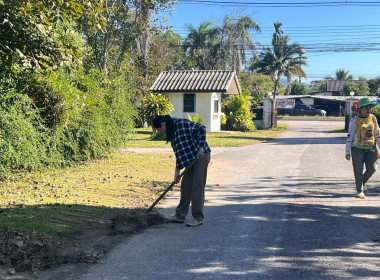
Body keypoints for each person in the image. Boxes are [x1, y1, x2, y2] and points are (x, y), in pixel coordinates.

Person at [153, 115, 211, 227]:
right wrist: (176, 174)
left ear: (163, 124)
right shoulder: (172, 134)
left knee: (197, 186)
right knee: (185, 186)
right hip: (190, 160)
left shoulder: (181, 124)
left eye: (160, 130)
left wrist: (201, 148)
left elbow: (202, 128)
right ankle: (180, 215)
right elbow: (179, 155)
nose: (161, 132)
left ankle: (198, 217)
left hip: (201, 156)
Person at [345, 97, 380, 199]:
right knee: (358, 170)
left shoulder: (373, 118)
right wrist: (347, 151)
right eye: (365, 108)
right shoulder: (355, 120)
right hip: (357, 148)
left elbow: (377, 134)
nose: (368, 110)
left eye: (369, 108)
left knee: (373, 168)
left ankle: (362, 182)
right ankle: (360, 190)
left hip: (371, 148)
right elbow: (349, 136)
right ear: (360, 109)